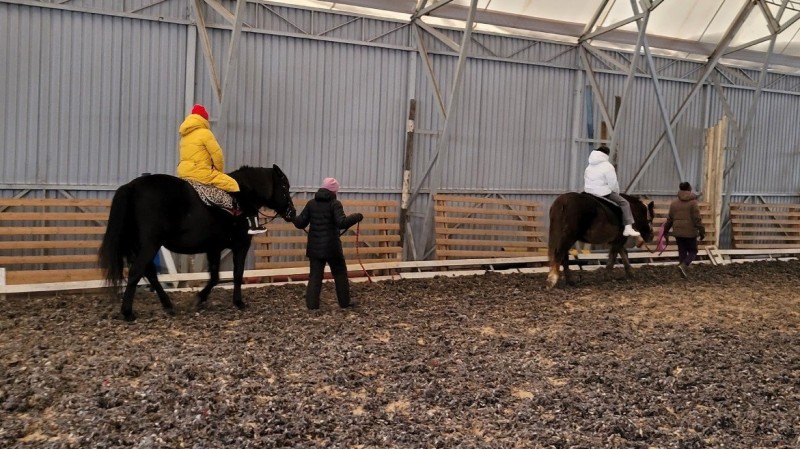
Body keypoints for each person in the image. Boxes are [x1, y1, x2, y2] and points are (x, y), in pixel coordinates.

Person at [177, 104, 265, 234]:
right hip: (201, 173)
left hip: (184, 174)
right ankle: (252, 223)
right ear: (203, 119)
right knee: (234, 184)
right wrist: (218, 170)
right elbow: (217, 155)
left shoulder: (184, 136)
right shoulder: (205, 133)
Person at [292, 177, 364, 310]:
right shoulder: (335, 204)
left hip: (315, 247)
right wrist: (357, 216)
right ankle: (344, 303)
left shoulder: (311, 203)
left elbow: (300, 223)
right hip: (332, 248)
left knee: (315, 276)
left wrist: (291, 216)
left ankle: (312, 306)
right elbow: (341, 223)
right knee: (340, 273)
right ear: (334, 191)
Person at [584, 145, 640, 237]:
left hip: (589, 192)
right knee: (624, 203)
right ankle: (628, 228)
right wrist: (616, 192)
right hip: (603, 193)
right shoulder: (608, 166)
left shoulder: (589, 165)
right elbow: (613, 184)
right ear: (607, 154)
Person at [663, 182, 705, 278]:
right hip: (690, 232)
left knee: (682, 251)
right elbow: (697, 218)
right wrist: (702, 231)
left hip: (678, 231)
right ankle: (684, 265)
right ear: (689, 189)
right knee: (693, 251)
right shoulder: (693, 203)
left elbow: (670, 219)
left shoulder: (674, 203)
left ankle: (682, 272)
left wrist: (665, 231)